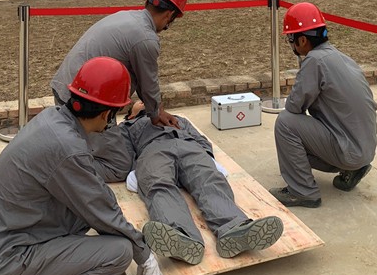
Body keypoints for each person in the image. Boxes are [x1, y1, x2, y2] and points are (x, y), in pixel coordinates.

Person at [0, 57, 164, 275]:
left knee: (87, 216)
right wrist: (143, 252)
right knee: (119, 252)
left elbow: (94, 195)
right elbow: (101, 209)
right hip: (6, 261)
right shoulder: (67, 149)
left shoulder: (53, 119)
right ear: (106, 114)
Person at [122, 102, 284, 264]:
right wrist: (137, 169)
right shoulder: (129, 126)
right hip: (153, 151)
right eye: (138, 101)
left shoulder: (178, 119)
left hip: (189, 146)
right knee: (159, 185)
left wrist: (207, 156)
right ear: (130, 114)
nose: (143, 101)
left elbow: (199, 138)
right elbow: (123, 155)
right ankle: (181, 236)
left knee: (209, 179)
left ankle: (235, 228)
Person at [269, 2, 377, 209]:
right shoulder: (341, 57)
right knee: (298, 131)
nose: (291, 45)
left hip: (347, 150)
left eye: (291, 39)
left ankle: (302, 192)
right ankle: (353, 169)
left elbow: (293, 107)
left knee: (285, 123)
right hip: (364, 148)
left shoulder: (315, 61)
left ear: (302, 40)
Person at [51, 0, 187, 129]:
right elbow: (148, 83)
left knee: (76, 138)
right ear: (169, 15)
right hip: (84, 101)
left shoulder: (125, 16)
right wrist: (156, 116)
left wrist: (156, 110)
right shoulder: (146, 38)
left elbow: (142, 80)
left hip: (66, 86)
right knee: (103, 143)